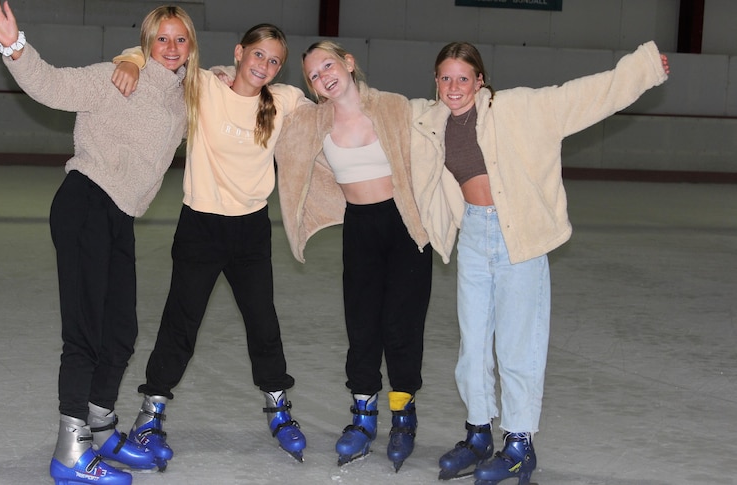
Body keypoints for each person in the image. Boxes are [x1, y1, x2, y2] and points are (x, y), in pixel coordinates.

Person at [409, 41, 669, 484]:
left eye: (463, 78)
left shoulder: (518, 108)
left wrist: (642, 69)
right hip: (471, 235)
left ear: (480, 80)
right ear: (435, 82)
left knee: (517, 347)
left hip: (519, 238)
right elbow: (374, 113)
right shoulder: (428, 120)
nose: (454, 87)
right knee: (472, 345)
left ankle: (519, 444)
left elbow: (583, 95)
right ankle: (477, 433)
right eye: (446, 78)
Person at [0, 1, 199, 483]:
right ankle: (70, 452)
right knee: (85, 333)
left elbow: (230, 80)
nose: (171, 48)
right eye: (160, 38)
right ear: (146, 42)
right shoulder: (118, 76)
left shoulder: (185, 100)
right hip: (85, 203)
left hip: (120, 217)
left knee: (120, 332)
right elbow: (51, 85)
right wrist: (14, 45)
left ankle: (99, 425)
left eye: (180, 39)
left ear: (191, 47)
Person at [111, 23, 312, 462]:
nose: (265, 66)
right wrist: (130, 59)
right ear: (240, 53)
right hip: (200, 227)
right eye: (258, 55)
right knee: (180, 323)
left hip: (251, 230)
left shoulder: (285, 101)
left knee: (263, 321)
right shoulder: (203, 84)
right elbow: (160, 55)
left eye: (274, 61)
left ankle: (279, 406)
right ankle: (150, 414)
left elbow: (327, 112)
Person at [273, 40, 432, 472]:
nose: (323, 76)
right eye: (312, 75)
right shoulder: (313, 121)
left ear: (349, 62)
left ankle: (403, 414)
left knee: (401, 327)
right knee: (362, 326)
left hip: (406, 228)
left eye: (328, 64)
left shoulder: (394, 107)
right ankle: (362, 415)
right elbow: (258, 92)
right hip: (359, 228)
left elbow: (439, 135)